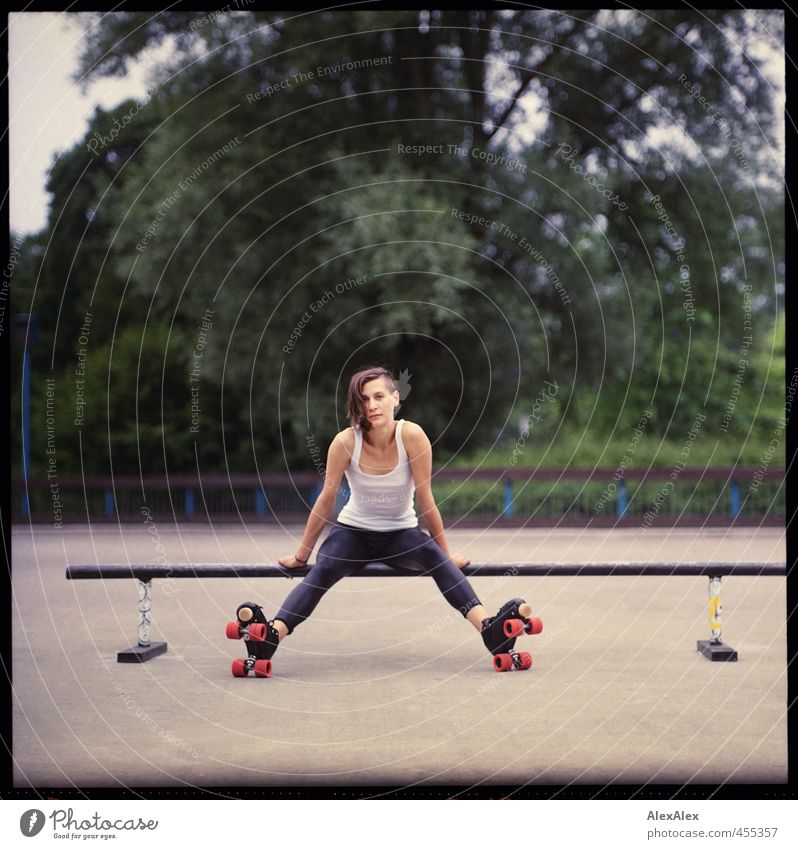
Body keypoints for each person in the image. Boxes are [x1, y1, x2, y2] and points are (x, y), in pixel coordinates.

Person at [230, 366, 537, 675]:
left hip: (400, 535)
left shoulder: (412, 436)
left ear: (395, 398)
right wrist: (301, 555)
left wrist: (445, 554)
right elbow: (326, 499)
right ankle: (272, 635)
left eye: (379, 396)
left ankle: (489, 630)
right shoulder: (346, 442)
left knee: (433, 557)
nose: (372, 405)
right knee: (324, 567)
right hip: (353, 535)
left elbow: (425, 498)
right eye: (364, 399)